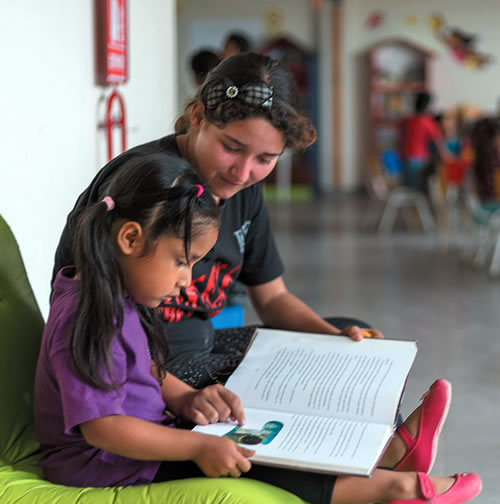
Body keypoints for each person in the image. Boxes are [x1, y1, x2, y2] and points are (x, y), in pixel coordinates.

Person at [37, 153, 482, 503]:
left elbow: (146, 370)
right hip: (108, 464)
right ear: (130, 239)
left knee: (260, 437)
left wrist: (187, 396)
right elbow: (104, 428)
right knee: (254, 462)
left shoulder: (120, 293)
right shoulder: (89, 314)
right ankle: (398, 490)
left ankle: (383, 457)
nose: (186, 280)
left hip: (145, 435)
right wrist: (194, 448)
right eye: (181, 261)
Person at [54, 53, 388, 390]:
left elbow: (272, 299)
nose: (243, 173)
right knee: (288, 381)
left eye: (265, 159)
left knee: (351, 338)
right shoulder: (151, 182)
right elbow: (102, 331)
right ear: (198, 116)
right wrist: (181, 395)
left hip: (203, 344)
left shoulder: (244, 191)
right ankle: (399, 443)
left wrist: (334, 337)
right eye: (231, 147)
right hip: (146, 361)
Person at [400, 92, 448, 194]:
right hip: (418, 163)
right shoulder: (427, 122)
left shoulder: (406, 120)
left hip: (404, 162)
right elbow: (439, 146)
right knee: (433, 183)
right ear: (428, 106)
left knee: (413, 190)